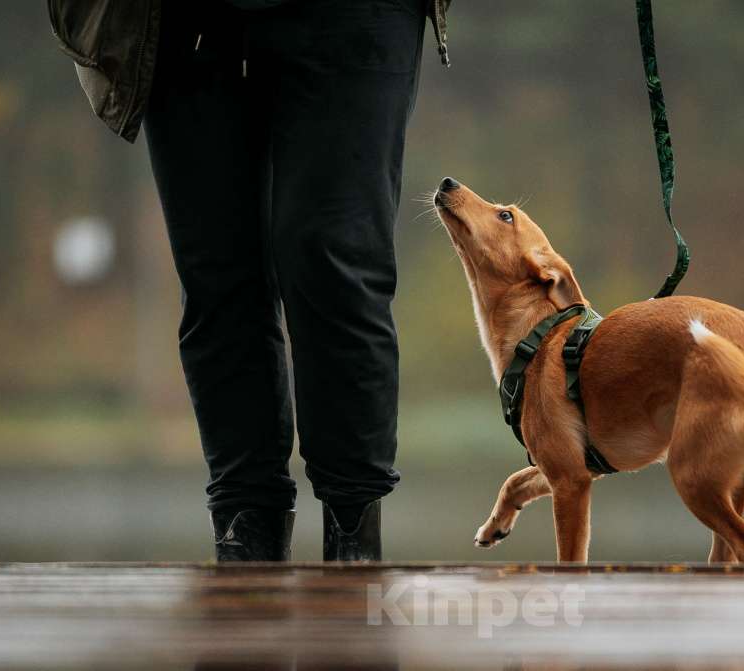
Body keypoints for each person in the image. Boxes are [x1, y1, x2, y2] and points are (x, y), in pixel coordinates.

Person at [48, 0, 452, 561]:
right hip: (176, 19)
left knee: (333, 257)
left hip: (358, 13)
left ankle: (354, 543)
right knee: (219, 272)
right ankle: (243, 545)